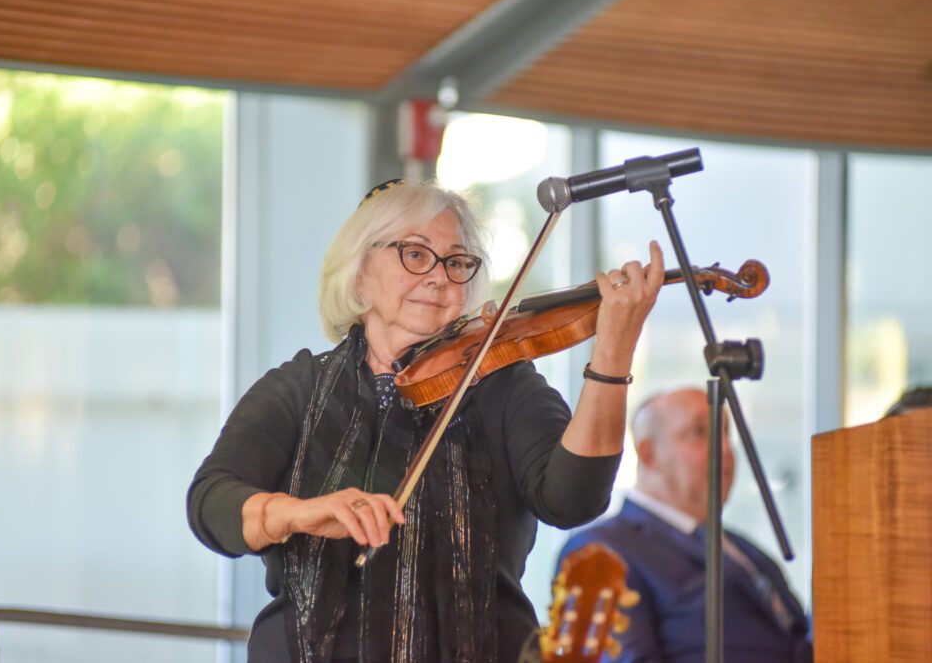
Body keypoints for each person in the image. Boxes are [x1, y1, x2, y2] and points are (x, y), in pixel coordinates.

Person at [187, 178, 664, 663]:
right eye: (415, 254)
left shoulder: (503, 382)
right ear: (358, 275)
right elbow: (210, 503)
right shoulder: (301, 388)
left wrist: (613, 352)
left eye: (456, 262)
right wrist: (297, 512)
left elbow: (574, 499)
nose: (439, 277)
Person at [556, 387, 812, 662]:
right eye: (700, 432)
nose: (724, 449)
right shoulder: (598, 551)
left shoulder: (745, 549)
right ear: (649, 453)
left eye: (726, 432)